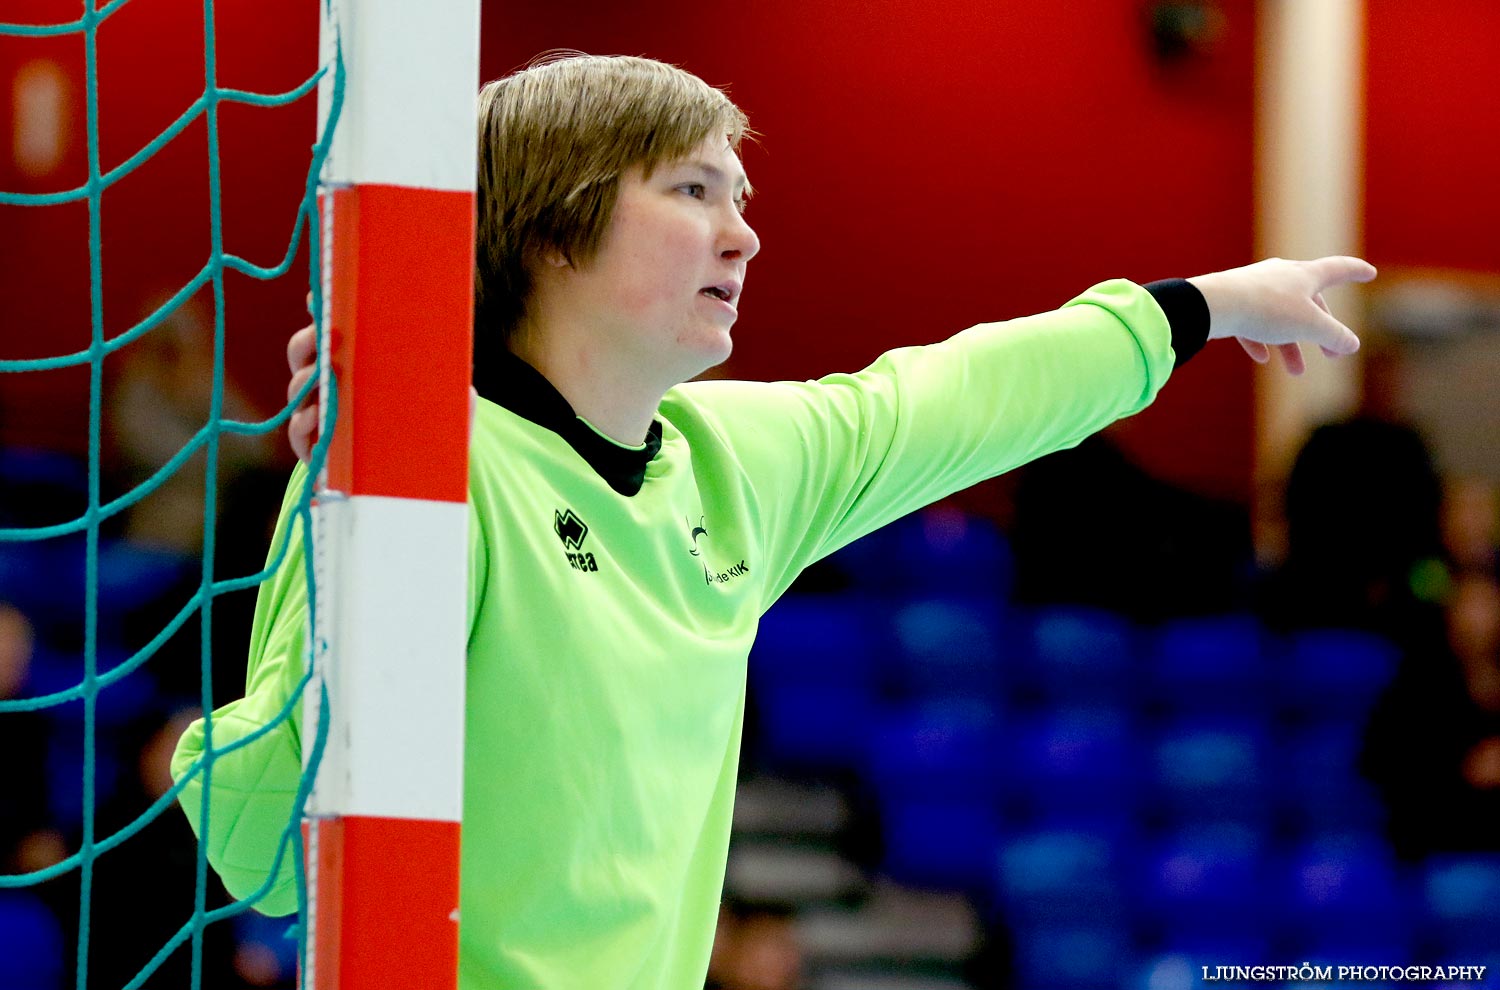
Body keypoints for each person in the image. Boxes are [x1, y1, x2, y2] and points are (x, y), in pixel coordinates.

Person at [171, 53, 1375, 989]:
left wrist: (1209, 304)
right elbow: (261, 845)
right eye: (692, 190)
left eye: (740, 196)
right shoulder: (428, 469)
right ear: (549, 228)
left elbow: (968, 395)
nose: (742, 231)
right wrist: (352, 521)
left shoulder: (731, 460)